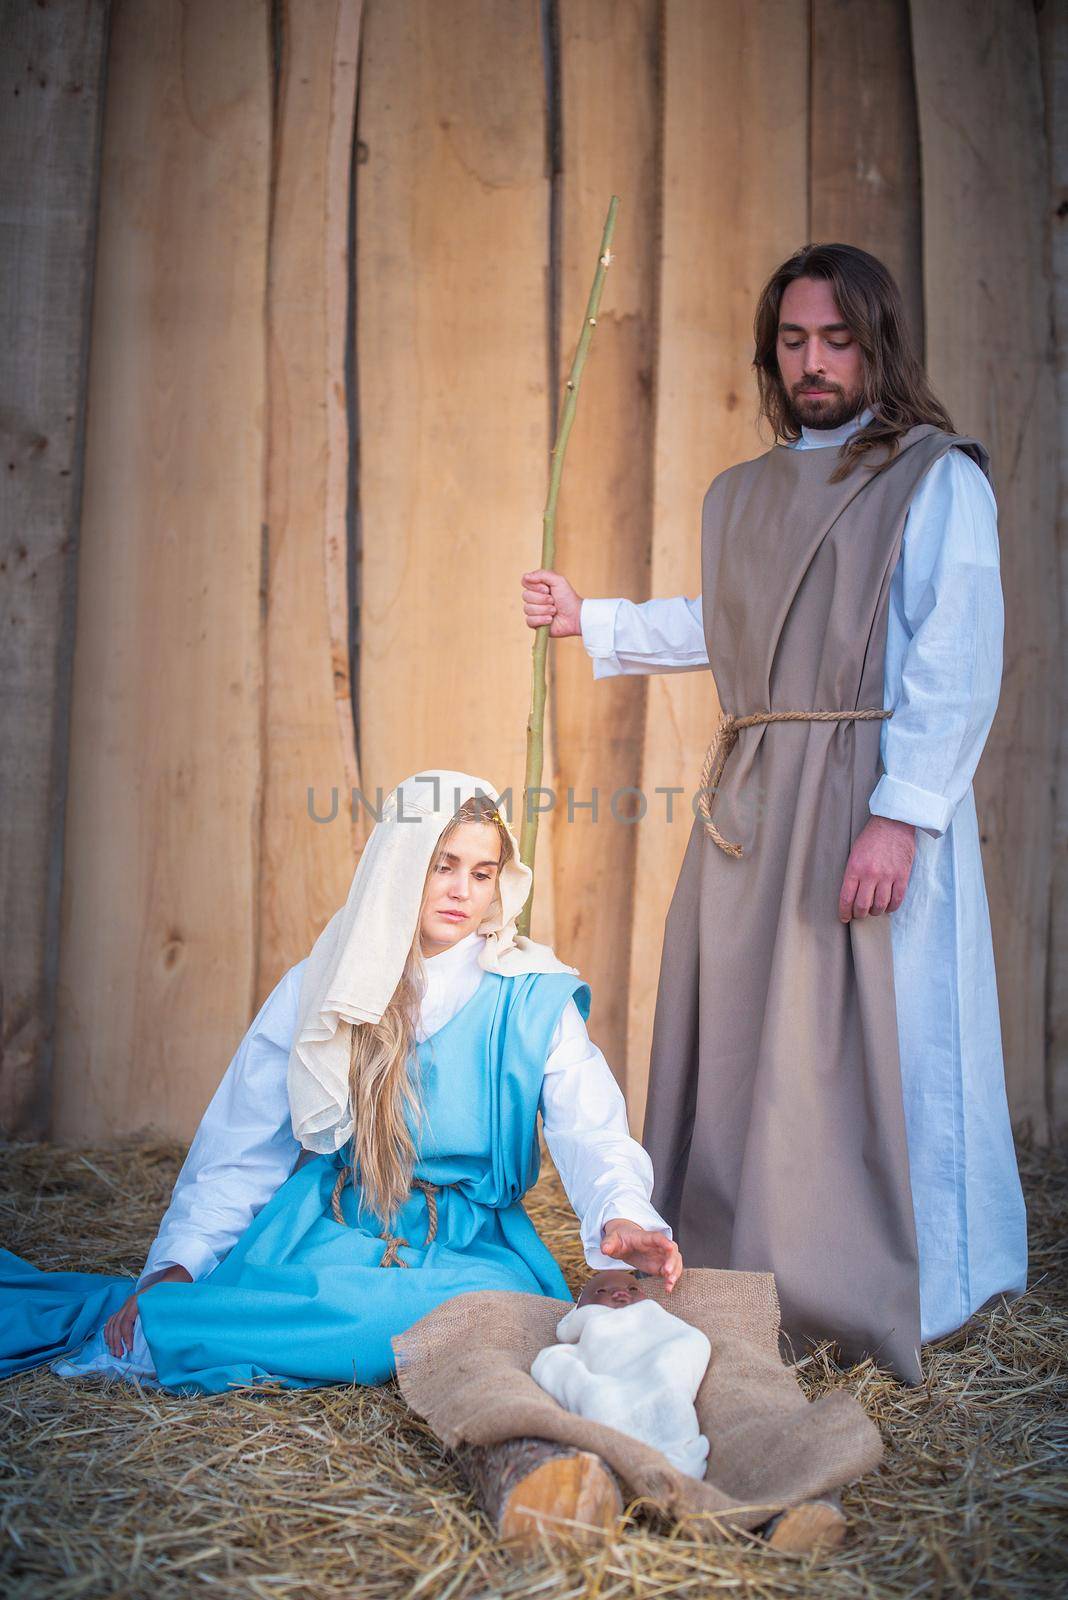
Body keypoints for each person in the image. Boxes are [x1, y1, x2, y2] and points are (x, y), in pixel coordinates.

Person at [521, 244, 1027, 1383]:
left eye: (836, 339)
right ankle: (757, 1275)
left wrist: (902, 813)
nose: (813, 361)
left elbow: (960, 648)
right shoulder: (746, 493)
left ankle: (927, 1285)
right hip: (758, 797)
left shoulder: (936, 478)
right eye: (794, 341)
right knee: (761, 1050)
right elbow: (730, 624)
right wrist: (589, 621)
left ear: (877, 344)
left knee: (886, 1043)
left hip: (872, 791)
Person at [0, 769, 681, 1391]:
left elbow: (591, 1129)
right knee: (294, 1305)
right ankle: (195, 1318)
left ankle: (228, 1328)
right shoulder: (322, 985)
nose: (460, 891)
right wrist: (177, 1264)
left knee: (487, 1313)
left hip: (469, 1248)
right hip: (328, 1226)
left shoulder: (532, 999)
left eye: (481, 872)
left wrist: (622, 1215)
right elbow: (243, 1146)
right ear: (398, 865)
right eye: (441, 866)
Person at [530, 1268, 711, 1478]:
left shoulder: (655, 1317)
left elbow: (690, 1340)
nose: (620, 1293)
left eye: (632, 1288)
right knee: (602, 1401)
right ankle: (622, 1454)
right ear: (581, 1308)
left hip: (662, 1375)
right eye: (602, 1292)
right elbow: (558, 1366)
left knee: (670, 1395)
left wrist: (673, 1356)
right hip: (612, 1387)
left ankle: (676, 1459)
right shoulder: (590, 1328)